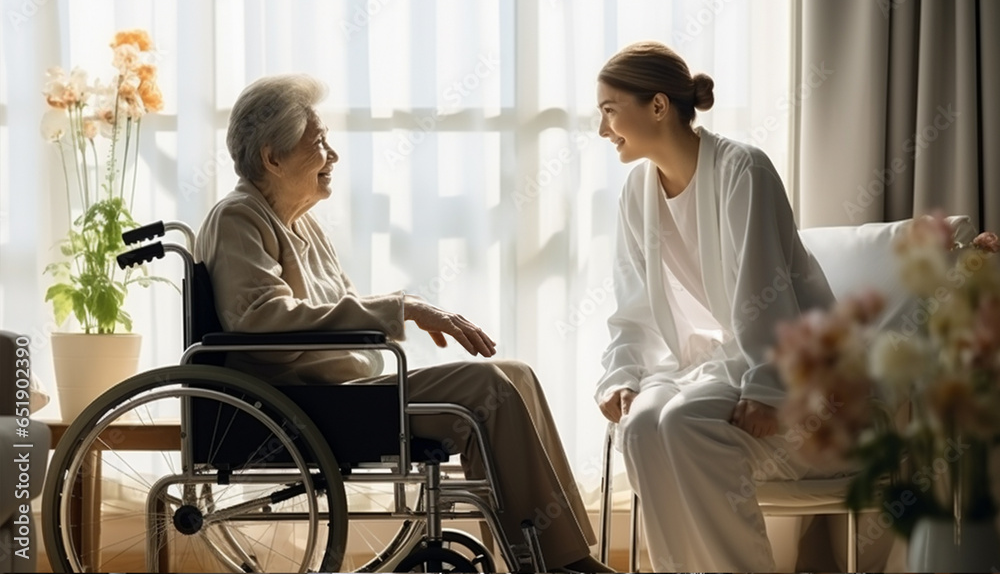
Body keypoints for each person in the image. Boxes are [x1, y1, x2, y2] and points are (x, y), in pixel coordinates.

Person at [194, 74, 613, 573]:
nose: (333, 155)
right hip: (301, 406)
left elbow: (331, 311)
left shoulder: (299, 223)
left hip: (345, 391)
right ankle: (553, 563)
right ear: (273, 158)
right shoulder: (239, 218)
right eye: (319, 142)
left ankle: (559, 556)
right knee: (486, 385)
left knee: (515, 374)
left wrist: (401, 308)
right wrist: (403, 308)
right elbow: (260, 323)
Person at [594, 41, 843, 571]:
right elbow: (632, 302)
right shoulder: (636, 191)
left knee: (685, 422)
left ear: (658, 106)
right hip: (702, 364)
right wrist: (623, 374)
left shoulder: (741, 170)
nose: (602, 130)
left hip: (784, 365)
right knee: (638, 426)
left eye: (610, 111)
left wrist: (768, 385)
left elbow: (765, 287)